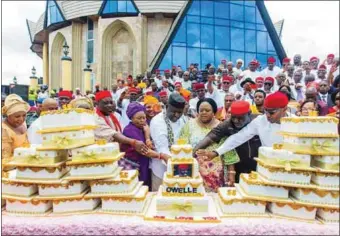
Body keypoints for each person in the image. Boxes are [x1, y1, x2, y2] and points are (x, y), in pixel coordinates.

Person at [197, 92, 294, 163]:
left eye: (272, 112)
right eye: (266, 111)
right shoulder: (260, 121)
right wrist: (216, 152)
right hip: (266, 168)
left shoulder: (298, 124)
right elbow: (238, 138)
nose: (267, 115)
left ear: (284, 109)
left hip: (291, 169)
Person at [194, 101, 261, 184]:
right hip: (238, 168)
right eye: (234, 117)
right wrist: (192, 153)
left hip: (260, 166)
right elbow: (210, 137)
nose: (236, 121)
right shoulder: (227, 124)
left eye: (240, 118)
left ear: (249, 113)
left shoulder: (260, 122)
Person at [179, 98, 239, 191]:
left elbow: (229, 152)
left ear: (214, 112)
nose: (203, 112)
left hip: (216, 176)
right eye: (201, 110)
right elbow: (182, 149)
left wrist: (232, 174)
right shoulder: (189, 126)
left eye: (207, 110)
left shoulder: (221, 127)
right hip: (194, 174)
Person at [119, 102, 170, 190]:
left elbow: (147, 143)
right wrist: (161, 156)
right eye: (139, 118)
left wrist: (147, 134)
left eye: (144, 118)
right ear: (131, 118)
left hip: (143, 164)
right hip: (133, 167)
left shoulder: (141, 127)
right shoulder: (129, 130)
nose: (142, 120)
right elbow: (144, 150)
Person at [150, 93, 187, 191]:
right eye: (174, 112)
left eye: (180, 112)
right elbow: (162, 148)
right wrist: (179, 168)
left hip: (181, 170)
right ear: (166, 107)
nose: (176, 115)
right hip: (162, 171)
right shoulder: (157, 122)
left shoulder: (183, 119)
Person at [2, 94, 30, 162]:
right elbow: (5, 160)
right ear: (8, 115)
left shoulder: (22, 125)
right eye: (17, 116)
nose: (21, 119)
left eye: (24, 115)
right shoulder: (4, 130)